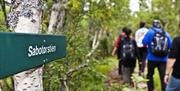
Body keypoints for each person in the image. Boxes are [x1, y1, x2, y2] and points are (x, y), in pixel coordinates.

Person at [142, 19, 172, 91]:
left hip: (151, 59)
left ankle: (151, 89)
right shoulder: (166, 33)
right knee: (163, 77)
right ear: (160, 25)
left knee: (149, 75)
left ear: (153, 25)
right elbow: (171, 45)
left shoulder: (150, 32)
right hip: (163, 59)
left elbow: (144, 42)